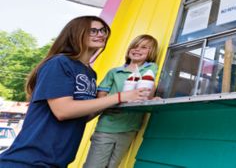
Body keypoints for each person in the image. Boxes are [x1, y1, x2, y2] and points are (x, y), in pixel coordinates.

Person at [0, 16, 150, 167]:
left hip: (58, 162)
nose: (101, 34)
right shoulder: (59, 63)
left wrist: (115, 102)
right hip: (27, 161)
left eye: (103, 31)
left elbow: (81, 116)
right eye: (93, 30)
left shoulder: (90, 74)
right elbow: (63, 111)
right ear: (76, 33)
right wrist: (118, 97)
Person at [83, 34, 159, 168]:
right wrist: (113, 101)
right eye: (135, 46)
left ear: (151, 52)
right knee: (94, 165)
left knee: (112, 165)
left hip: (129, 128)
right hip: (108, 126)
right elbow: (101, 96)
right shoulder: (114, 72)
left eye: (143, 47)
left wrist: (151, 98)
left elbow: (147, 90)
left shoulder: (150, 68)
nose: (137, 49)